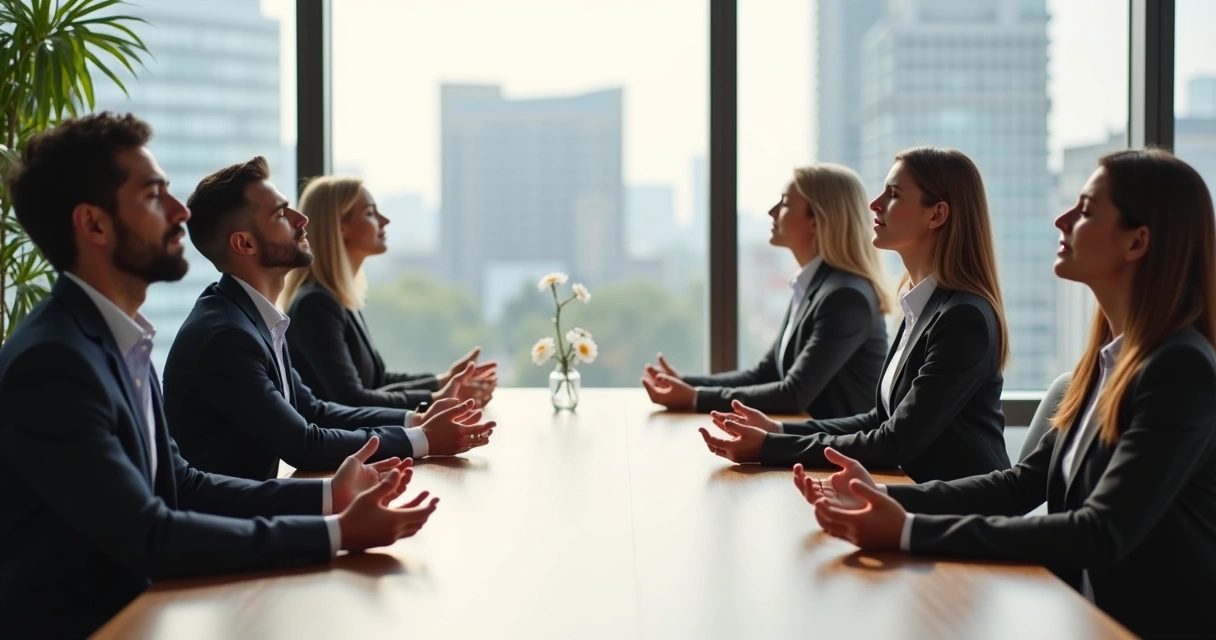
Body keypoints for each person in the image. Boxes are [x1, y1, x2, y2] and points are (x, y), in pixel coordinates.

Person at [0, 113, 441, 637]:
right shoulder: (55, 362)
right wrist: (334, 533)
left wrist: (330, 497)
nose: (180, 210)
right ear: (93, 225)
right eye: (152, 195)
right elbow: (149, 533)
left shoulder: (115, 339)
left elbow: (180, 484)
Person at [797, 149, 1216, 639]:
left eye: (1084, 210)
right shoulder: (1108, 360)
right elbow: (1020, 485)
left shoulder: (1179, 369)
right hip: (1081, 613)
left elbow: (1098, 532)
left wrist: (909, 530)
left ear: (1136, 241)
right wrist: (884, 499)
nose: (1061, 219)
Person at [164, 157, 495, 481]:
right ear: (245, 243)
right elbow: (303, 444)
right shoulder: (226, 336)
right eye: (281, 214)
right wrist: (422, 439)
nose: (301, 218)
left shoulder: (253, 319)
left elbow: (314, 410)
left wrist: (417, 420)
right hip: (230, 527)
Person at [700, 147, 1010, 483]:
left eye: (893, 194)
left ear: (936, 215)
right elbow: (880, 418)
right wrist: (777, 431)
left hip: (958, 514)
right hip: (908, 493)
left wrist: (770, 448)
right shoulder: (921, 304)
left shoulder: (963, 319)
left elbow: (895, 441)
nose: (874, 204)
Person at [641, 164, 889, 418]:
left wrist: (695, 398)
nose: (772, 212)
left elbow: (793, 394)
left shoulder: (845, 298)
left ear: (816, 221)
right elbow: (765, 374)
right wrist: (686, 382)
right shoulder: (815, 287)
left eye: (784, 203)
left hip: (832, 454)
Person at [279, 175, 497, 410]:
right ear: (340, 227)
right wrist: (438, 398)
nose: (385, 220)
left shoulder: (336, 299)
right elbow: (351, 399)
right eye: (371, 213)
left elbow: (377, 381)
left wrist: (442, 382)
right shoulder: (316, 305)